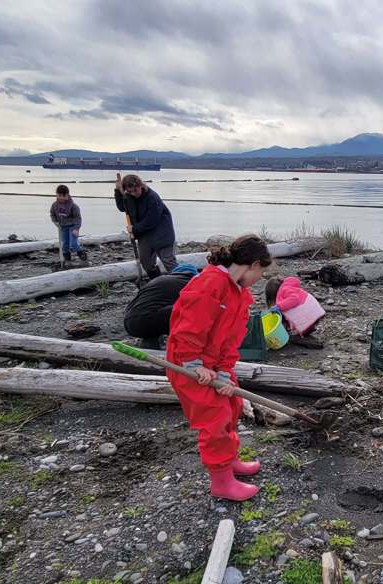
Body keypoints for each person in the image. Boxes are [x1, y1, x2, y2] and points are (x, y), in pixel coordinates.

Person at [167, 235, 273, 501]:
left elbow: (231, 339)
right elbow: (188, 328)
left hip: (215, 363)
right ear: (253, 264)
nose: (259, 278)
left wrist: (225, 372)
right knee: (214, 418)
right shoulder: (210, 284)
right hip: (187, 363)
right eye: (261, 272)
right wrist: (194, 364)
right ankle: (221, 481)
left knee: (232, 406)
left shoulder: (239, 294)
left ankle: (230, 461)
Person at [123, 263, 200, 349]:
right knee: (191, 310)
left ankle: (150, 343)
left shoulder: (159, 280)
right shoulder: (190, 283)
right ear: (193, 275)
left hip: (129, 323)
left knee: (156, 308)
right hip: (147, 319)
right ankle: (186, 346)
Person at [114, 173, 177, 279]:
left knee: (168, 261)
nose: (134, 193)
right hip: (145, 235)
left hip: (162, 233)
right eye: (130, 191)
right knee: (146, 262)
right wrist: (117, 191)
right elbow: (122, 207)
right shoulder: (129, 196)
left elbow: (152, 220)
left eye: (136, 190)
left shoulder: (152, 198)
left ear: (140, 186)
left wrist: (134, 228)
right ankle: (157, 282)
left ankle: (184, 284)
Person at [49, 185, 86, 263]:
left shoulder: (73, 206)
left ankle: (83, 256)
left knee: (73, 244)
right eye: (59, 195)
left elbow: (78, 218)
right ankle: (67, 260)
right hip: (63, 227)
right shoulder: (54, 205)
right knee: (65, 245)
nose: (61, 198)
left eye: (64, 196)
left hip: (73, 226)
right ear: (57, 195)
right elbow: (52, 214)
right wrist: (55, 221)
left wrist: (76, 228)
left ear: (68, 195)